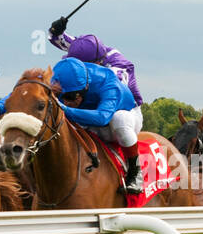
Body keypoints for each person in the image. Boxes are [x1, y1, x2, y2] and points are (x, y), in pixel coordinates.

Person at [48, 57, 146, 194]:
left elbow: (102, 118)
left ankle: (135, 174)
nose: (69, 101)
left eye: (73, 96)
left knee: (120, 120)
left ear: (86, 86)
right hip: (89, 120)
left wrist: (64, 109)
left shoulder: (108, 82)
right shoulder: (55, 81)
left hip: (120, 118)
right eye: (63, 96)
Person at [47, 17, 143, 104]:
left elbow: (111, 87)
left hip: (123, 107)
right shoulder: (86, 48)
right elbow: (63, 40)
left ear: (96, 62)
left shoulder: (119, 66)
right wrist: (56, 31)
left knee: (119, 118)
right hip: (90, 99)